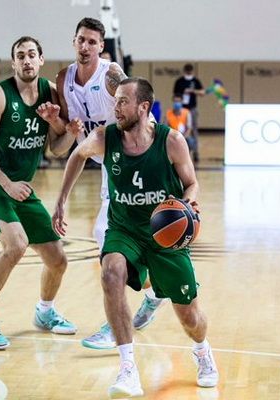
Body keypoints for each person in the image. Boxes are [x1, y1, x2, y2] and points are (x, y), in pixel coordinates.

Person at [53, 77, 219, 397]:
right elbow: (78, 155)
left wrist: (188, 203)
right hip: (124, 229)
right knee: (111, 272)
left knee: (191, 318)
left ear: (143, 107)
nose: (115, 107)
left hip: (164, 236)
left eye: (122, 102)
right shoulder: (105, 137)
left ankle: (202, 350)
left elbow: (191, 183)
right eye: (115, 100)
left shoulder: (171, 141)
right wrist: (61, 201)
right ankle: (128, 368)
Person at [54, 17, 167, 350]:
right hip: (106, 162)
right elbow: (67, 145)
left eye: (92, 41)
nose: (85, 46)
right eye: (81, 39)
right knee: (114, 242)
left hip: (132, 159)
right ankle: (153, 294)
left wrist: (151, 157)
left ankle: (116, 325)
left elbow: (140, 112)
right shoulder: (63, 79)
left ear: (102, 46)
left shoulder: (111, 76)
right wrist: (58, 124)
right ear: (73, 42)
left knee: (110, 245)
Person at [0, 36, 78, 351]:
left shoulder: (50, 94)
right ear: (13, 62)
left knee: (57, 259)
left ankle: (44, 312)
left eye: (32, 55)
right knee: (16, 244)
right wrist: (7, 184)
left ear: (41, 59)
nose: (27, 60)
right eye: (20, 56)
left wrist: (69, 133)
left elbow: (56, 149)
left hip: (20, 188)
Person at [173, 63, 204, 162]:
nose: (189, 73)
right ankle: (178, 151)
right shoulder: (180, 81)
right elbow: (175, 95)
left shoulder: (195, 81)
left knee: (194, 130)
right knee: (178, 128)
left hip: (192, 108)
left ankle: (195, 152)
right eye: (187, 71)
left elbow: (202, 92)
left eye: (190, 71)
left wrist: (192, 91)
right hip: (182, 109)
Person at [164, 93, 196, 159]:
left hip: (184, 136)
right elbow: (165, 127)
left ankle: (187, 157)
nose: (177, 103)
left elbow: (189, 128)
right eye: (175, 101)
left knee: (191, 141)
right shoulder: (168, 113)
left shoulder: (186, 112)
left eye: (178, 101)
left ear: (181, 102)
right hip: (172, 136)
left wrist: (182, 137)